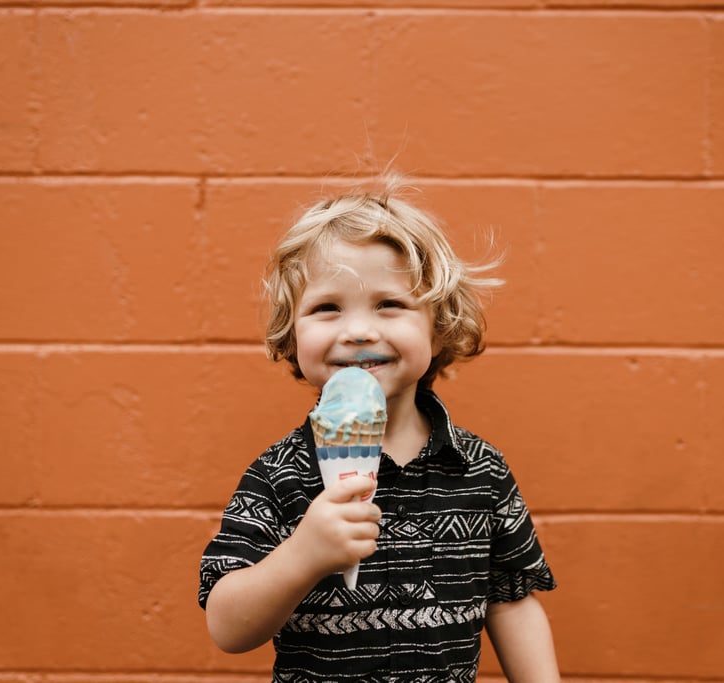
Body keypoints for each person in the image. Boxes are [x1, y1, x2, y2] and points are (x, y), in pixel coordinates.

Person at [198, 176, 560, 682]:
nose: (358, 330)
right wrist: (302, 556)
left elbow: (511, 603)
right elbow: (227, 627)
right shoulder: (279, 473)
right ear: (292, 334)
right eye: (327, 308)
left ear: (438, 328)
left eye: (389, 304)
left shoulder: (481, 471)